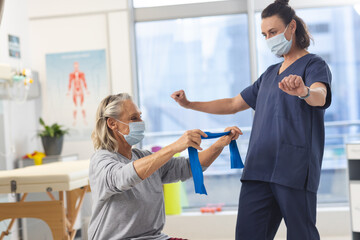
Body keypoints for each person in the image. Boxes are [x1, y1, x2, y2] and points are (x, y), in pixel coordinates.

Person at [171, 0, 331, 239]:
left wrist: (304, 91)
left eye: (274, 32)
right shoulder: (268, 75)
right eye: (265, 34)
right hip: (258, 169)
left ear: (292, 27)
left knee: (301, 235)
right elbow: (233, 104)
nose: (269, 39)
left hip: (294, 169)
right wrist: (189, 104)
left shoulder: (313, 64)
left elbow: (320, 96)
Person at [88, 93, 242, 240]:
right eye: (134, 118)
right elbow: (122, 177)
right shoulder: (101, 160)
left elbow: (188, 167)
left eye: (140, 117)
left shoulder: (143, 157)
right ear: (112, 123)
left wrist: (219, 144)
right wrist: (175, 147)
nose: (140, 122)